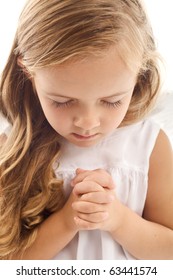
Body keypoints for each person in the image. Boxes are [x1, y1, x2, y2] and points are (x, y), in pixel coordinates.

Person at [0, 0, 173, 260]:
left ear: (139, 73)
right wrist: (68, 220)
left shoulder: (148, 144)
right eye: (61, 101)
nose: (88, 122)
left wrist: (118, 219)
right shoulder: (12, 147)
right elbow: (9, 262)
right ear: (28, 72)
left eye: (112, 100)